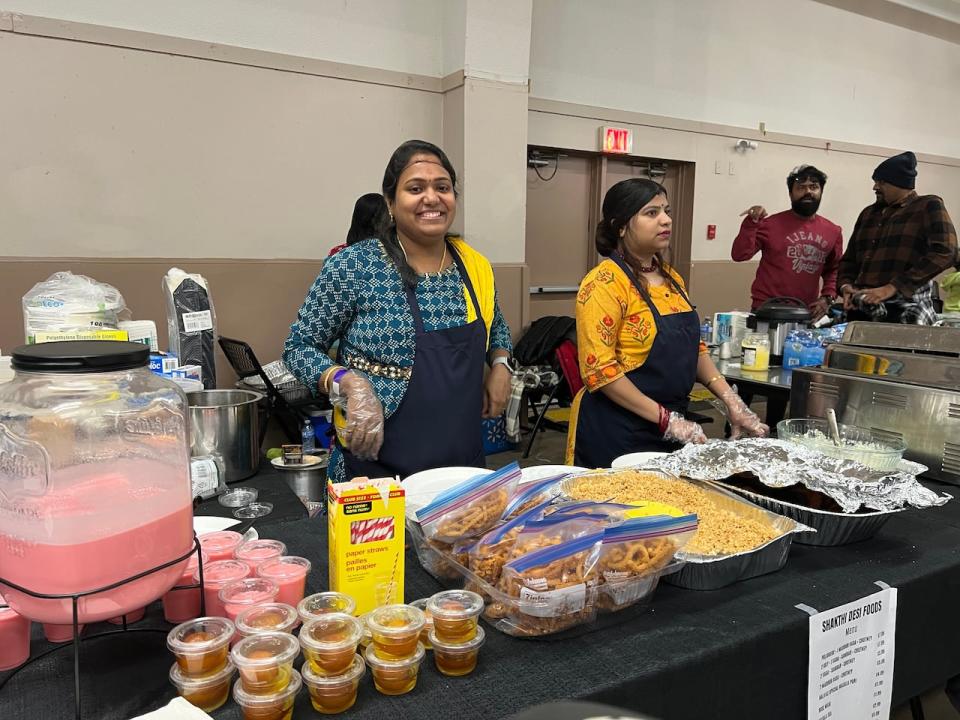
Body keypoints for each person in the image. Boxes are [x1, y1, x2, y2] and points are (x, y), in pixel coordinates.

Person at [284, 140, 513, 481]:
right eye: (415, 188)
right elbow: (298, 347)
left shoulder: (473, 266)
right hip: (377, 472)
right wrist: (348, 383)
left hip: (461, 470)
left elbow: (497, 329)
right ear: (390, 202)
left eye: (443, 187)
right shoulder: (354, 266)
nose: (432, 198)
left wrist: (500, 363)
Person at [566, 179, 768, 468]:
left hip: (670, 427)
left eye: (667, 211)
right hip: (617, 430)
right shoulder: (604, 283)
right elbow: (600, 372)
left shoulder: (672, 278)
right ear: (621, 226)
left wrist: (732, 402)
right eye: (651, 213)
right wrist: (668, 421)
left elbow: (694, 349)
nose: (666, 220)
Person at [837, 151, 958, 324]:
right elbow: (849, 260)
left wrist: (893, 287)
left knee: (899, 352)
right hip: (863, 310)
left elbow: (946, 251)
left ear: (901, 183)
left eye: (882, 182)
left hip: (906, 311)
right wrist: (845, 286)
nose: (875, 187)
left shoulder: (928, 206)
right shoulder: (868, 214)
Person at [732, 165, 843, 320]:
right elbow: (739, 255)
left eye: (814, 187)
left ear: (821, 192)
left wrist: (827, 297)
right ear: (791, 194)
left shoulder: (833, 231)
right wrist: (752, 223)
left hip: (806, 313)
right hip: (767, 310)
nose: (808, 192)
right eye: (801, 188)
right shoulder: (769, 224)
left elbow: (834, 270)